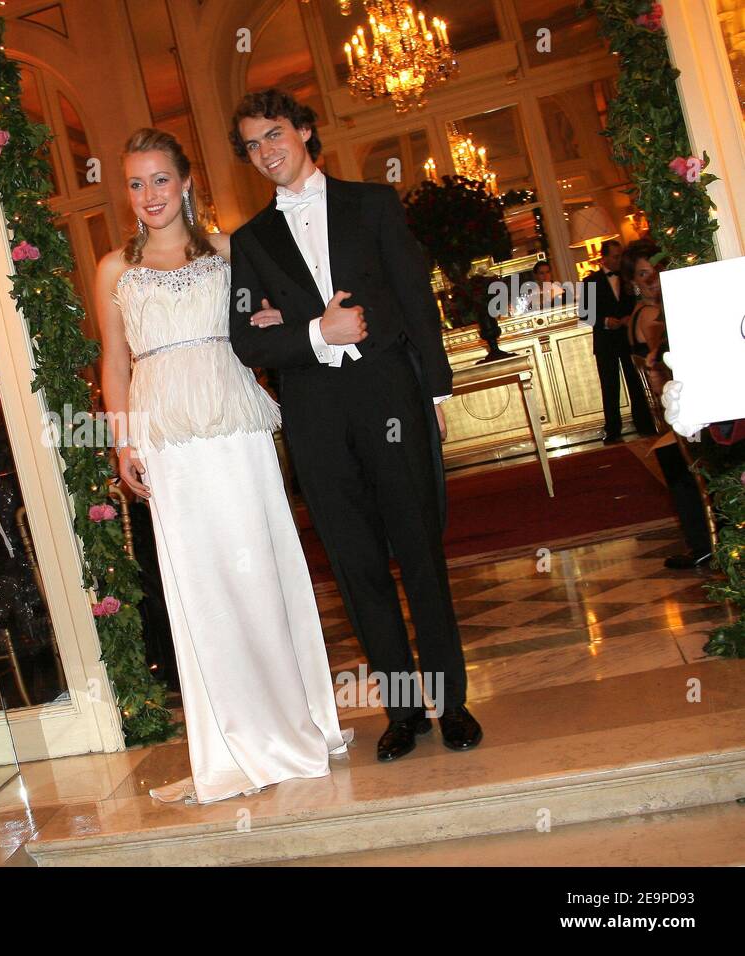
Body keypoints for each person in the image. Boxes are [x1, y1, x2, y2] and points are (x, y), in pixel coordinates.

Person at [96, 127, 352, 805]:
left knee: (261, 569)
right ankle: (232, 740)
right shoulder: (113, 270)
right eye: (135, 182)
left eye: (159, 179)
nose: (148, 195)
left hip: (234, 426)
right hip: (167, 441)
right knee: (201, 589)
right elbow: (114, 363)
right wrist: (124, 444)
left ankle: (297, 724)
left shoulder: (233, 251)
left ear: (185, 183)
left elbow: (269, 325)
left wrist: (274, 315)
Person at [226, 88, 481, 762]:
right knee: (357, 567)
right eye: (253, 144)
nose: (266, 151)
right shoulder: (249, 242)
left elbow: (413, 300)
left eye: (274, 134)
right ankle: (403, 713)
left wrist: (435, 395)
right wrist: (314, 329)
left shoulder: (372, 204)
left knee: (420, 553)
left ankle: (452, 703)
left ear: (305, 130)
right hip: (314, 417)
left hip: (392, 394)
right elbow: (247, 342)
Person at [620, 240, 714, 570]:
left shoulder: (640, 314)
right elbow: (666, 367)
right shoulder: (651, 317)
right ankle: (707, 541)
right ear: (633, 281)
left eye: (655, 271)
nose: (651, 280)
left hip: (665, 414)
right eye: (643, 274)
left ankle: (704, 542)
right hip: (673, 411)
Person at [581, 238, 658, 443]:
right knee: (609, 385)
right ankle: (613, 430)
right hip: (605, 341)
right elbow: (585, 314)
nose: (619, 260)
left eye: (620, 256)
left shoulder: (629, 279)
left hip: (627, 338)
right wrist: (606, 321)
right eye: (615, 257)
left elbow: (640, 301)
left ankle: (645, 424)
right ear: (604, 258)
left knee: (636, 382)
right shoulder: (590, 282)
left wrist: (628, 318)